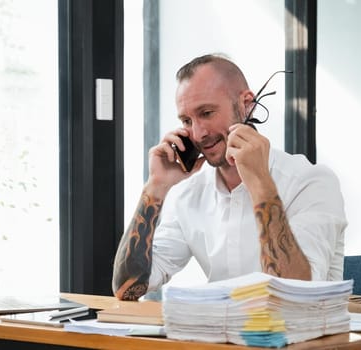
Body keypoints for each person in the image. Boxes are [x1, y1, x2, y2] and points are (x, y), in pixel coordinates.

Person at [112, 54, 347, 301]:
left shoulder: (311, 182)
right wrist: (155, 188)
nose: (198, 133)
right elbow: (127, 289)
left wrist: (259, 182)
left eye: (207, 113)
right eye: (186, 120)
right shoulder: (188, 194)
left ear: (247, 104)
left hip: (302, 337)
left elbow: (296, 295)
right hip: (218, 335)